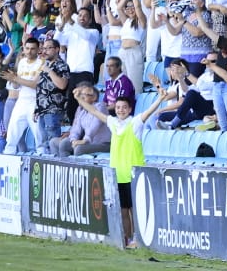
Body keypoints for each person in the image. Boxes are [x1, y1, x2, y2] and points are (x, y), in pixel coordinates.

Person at [72, 85, 174, 248]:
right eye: (118, 107)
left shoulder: (135, 123)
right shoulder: (113, 123)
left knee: (134, 210)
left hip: (133, 174)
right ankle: (127, 238)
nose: (120, 110)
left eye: (124, 107)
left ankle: (137, 238)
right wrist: (78, 99)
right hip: (118, 175)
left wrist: (160, 98)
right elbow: (94, 111)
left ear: (130, 109)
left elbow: (148, 113)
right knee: (123, 210)